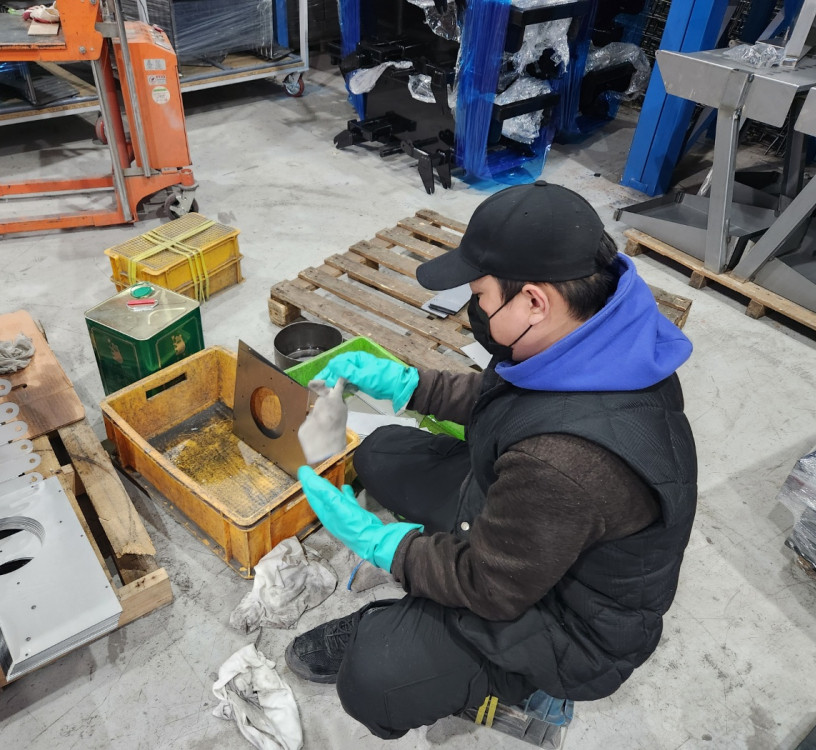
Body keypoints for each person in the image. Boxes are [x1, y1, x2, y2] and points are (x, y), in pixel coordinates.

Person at [286, 181, 698, 740]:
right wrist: (410, 385)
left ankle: (524, 688)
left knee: (375, 677)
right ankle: (426, 604)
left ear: (534, 301)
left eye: (480, 295)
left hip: (570, 621)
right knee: (381, 453)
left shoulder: (566, 462)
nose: (473, 310)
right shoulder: (595, 337)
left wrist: (387, 546)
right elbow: (510, 399)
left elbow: (488, 585)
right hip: (539, 526)